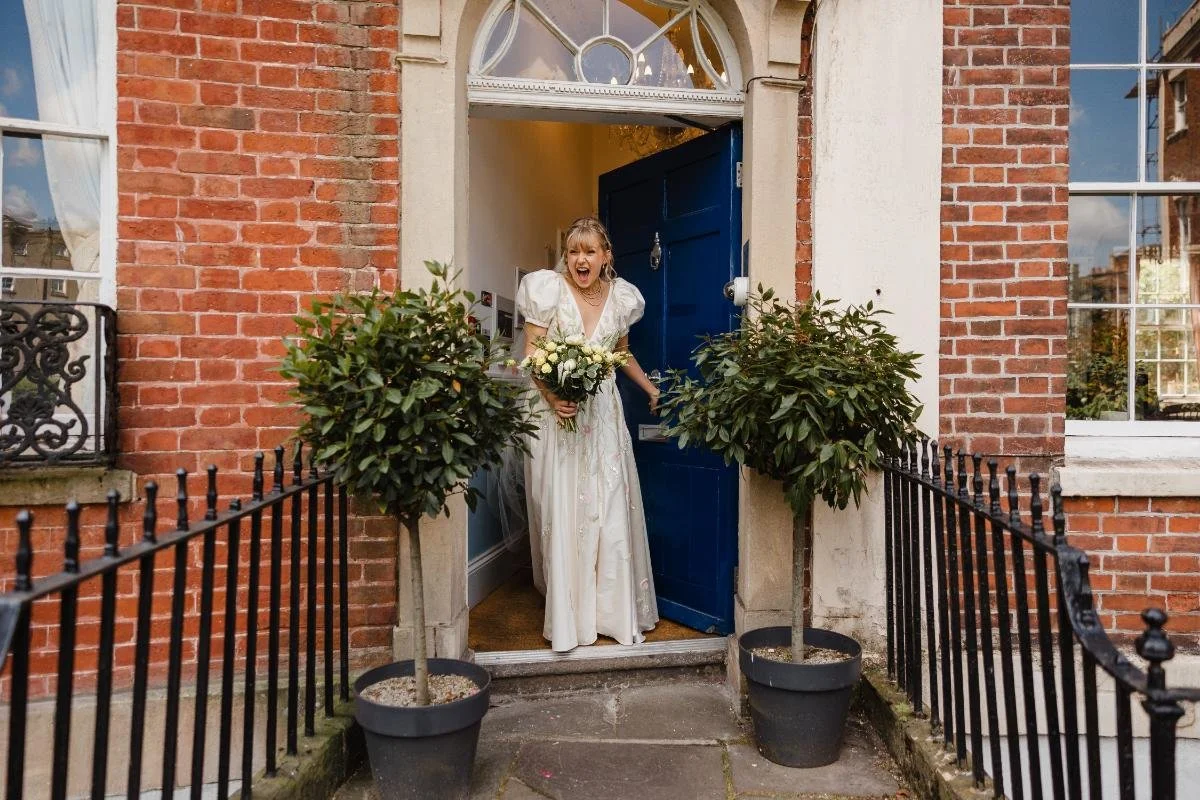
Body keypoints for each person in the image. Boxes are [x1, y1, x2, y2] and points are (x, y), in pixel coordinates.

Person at [515, 216, 660, 651]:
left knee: (609, 504)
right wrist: (552, 396)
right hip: (559, 416)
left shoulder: (622, 297)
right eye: (574, 251)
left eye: (590, 251)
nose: (581, 259)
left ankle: (610, 613)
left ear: (605, 257)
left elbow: (621, 354)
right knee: (567, 508)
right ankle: (571, 618)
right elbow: (532, 353)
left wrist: (651, 389)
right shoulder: (548, 291)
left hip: (604, 418)